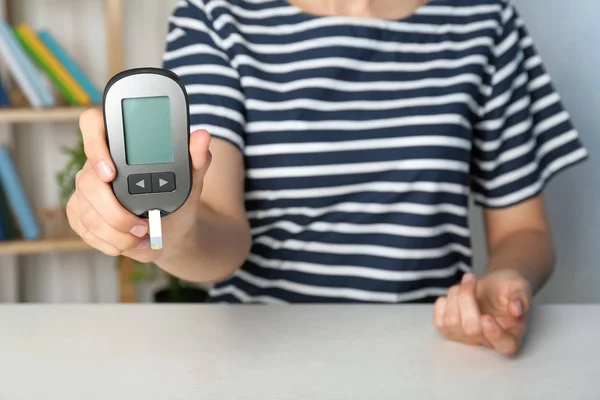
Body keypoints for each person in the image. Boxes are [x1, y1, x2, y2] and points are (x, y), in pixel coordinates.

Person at [68, 0, 587, 355]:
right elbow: (222, 235)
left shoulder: (485, 19)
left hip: (437, 355)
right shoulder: (215, 15)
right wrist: (173, 234)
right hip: (257, 359)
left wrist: (506, 280)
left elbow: (524, 230)